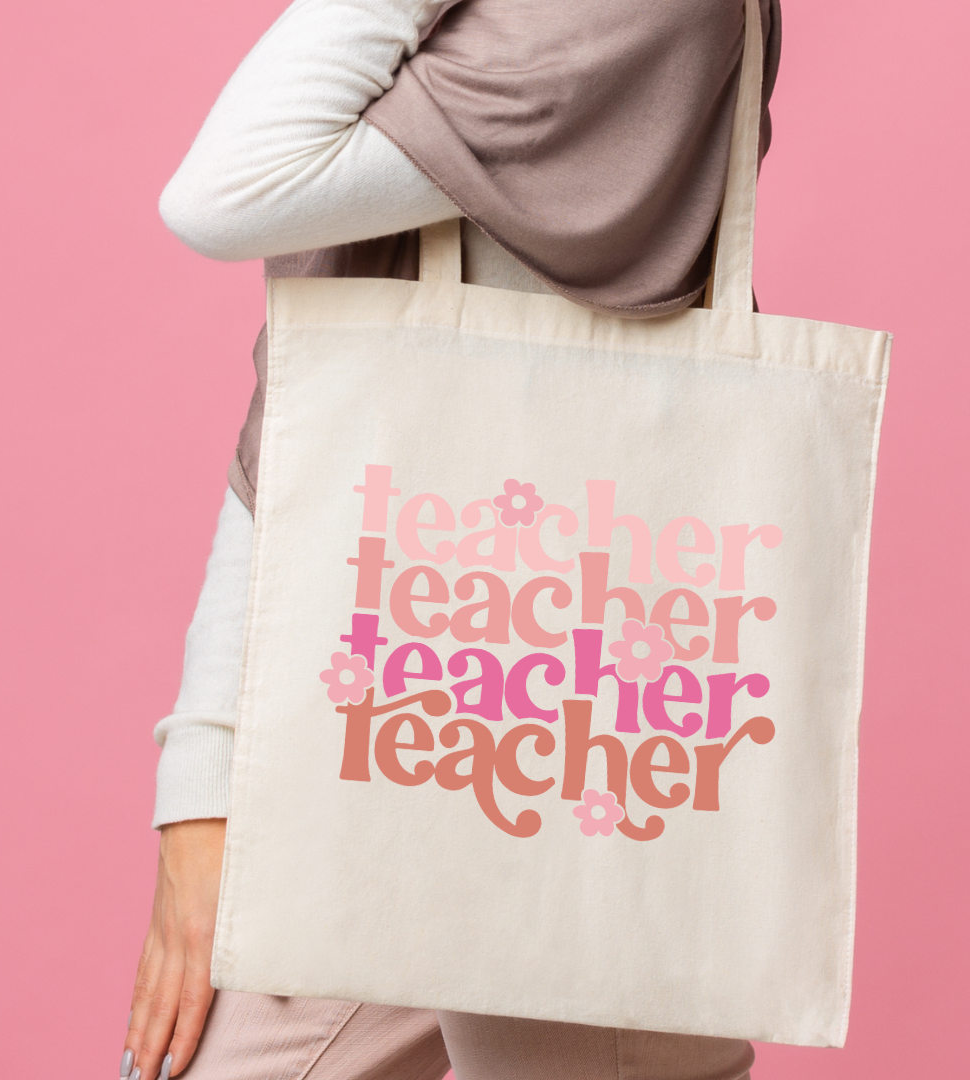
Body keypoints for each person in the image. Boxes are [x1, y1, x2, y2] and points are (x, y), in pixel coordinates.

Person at [122, 1, 781, 1078]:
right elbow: (318, 398)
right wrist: (205, 778)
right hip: (399, 701)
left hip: (571, 727)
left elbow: (224, 190)